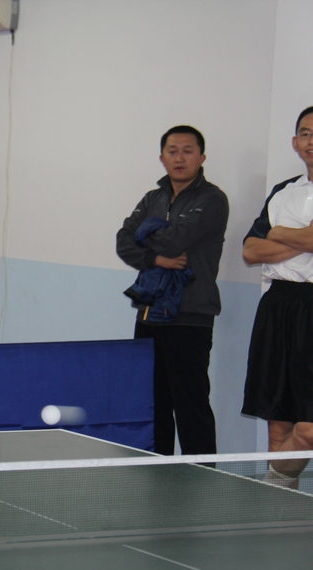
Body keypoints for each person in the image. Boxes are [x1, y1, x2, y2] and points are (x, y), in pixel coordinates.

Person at [115, 125, 228, 455]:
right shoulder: (154, 198)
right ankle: (156, 474)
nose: (180, 158)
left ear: (201, 157)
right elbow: (123, 241)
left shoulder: (212, 199)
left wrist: (147, 237)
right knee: (152, 405)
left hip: (189, 316)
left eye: (188, 151)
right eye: (172, 151)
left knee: (191, 407)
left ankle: (202, 477)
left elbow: (177, 239)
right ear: (162, 158)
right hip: (149, 314)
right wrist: (156, 259)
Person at [242, 106, 313, 487]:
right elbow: (251, 250)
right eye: (305, 133)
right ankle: (278, 512)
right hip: (278, 306)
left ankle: (269, 489)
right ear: (295, 142)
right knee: (278, 424)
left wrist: (279, 233)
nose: (311, 141)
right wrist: (302, 238)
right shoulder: (283, 191)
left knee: (308, 429)